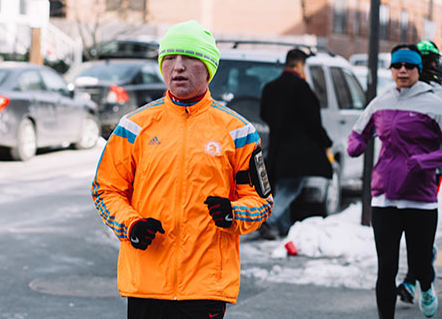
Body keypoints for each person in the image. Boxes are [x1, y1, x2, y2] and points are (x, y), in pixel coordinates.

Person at [91, 20, 273, 319]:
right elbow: (105, 189)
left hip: (205, 286)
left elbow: (261, 202)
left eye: (189, 58)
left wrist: (234, 213)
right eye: (169, 58)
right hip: (146, 284)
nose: (177, 67)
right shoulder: (134, 127)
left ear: (208, 67)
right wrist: (131, 225)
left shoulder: (238, 131)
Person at [347, 44, 442, 319]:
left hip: (420, 198)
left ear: (418, 70)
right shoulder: (381, 101)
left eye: (409, 66)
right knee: (386, 267)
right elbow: (358, 131)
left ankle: (425, 285)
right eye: (397, 66)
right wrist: (356, 144)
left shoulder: (434, 104)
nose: (402, 71)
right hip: (384, 196)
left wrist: (424, 161)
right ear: (391, 70)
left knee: (420, 261)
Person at [259, 48, 333, 240]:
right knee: (292, 187)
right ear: (300, 65)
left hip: (276, 147)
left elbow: (264, 115)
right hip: (298, 150)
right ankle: (268, 219)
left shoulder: (270, 87)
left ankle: (284, 228)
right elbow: (313, 122)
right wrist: (326, 143)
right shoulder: (301, 88)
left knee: (282, 187)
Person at [396, 40, 441, 305]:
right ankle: (418, 275)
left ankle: (416, 279)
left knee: (419, 231)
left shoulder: (436, 92)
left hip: (430, 172)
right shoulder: (398, 91)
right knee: (413, 232)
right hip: (401, 172)